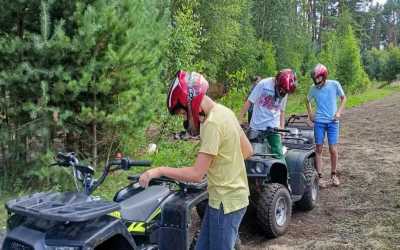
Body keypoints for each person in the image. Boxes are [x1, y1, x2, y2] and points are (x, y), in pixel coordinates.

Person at [139, 70, 253, 250]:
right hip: (230, 198)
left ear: (190, 103)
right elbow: (247, 150)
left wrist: (158, 170)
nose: (185, 118)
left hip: (226, 203)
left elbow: (196, 174)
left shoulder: (211, 124)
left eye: (183, 114)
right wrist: (221, 168)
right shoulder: (224, 112)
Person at [239, 69, 297, 160]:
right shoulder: (263, 84)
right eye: (281, 89)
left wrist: (282, 127)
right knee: (252, 155)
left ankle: (282, 173)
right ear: (278, 82)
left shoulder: (285, 91)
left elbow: (282, 110)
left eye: (284, 91)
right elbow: (250, 101)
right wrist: (239, 119)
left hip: (274, 127)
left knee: (278, 154)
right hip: (257, 126)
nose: (282, 92)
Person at [306, 64, 346, 187]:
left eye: (318, 78)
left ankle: (334, 175)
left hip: (333, 122)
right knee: (318, 149)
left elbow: (344, 98)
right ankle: (320, 177)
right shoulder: (313, 88)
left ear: (324, 76)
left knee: (332, 149)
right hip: (319, 122)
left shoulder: (334, 84)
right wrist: (310, 114)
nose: (316, 81)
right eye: (314, 79)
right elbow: (307, 100)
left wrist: (339, 112)